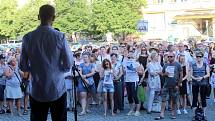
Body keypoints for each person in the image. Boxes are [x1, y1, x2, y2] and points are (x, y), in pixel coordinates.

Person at [19, 4, 72, 121]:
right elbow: (68, 65)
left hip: (37, 89)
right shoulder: (60, 37)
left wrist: (36, 69)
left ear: (38, 17)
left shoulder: (27, 37)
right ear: (54, 18)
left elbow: (22, 66)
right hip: (57, 88)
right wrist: (57, 71)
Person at [155, 52, 182, 120]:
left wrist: (178, 84)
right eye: (168, 56)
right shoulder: (165, 65)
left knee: (174, 99)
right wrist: (164, 74)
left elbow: (181, 75)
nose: (169, 58)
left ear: (174, 57)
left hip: (174, 85)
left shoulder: (178, 64)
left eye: (171, 56)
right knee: (163, 99)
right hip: (166, 85)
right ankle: (162, 113)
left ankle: (173, 113)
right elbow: (162, 74)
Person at [123, 49, 144, 116]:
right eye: (129, 53)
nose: (130, 54)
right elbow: (124, 72)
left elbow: (142, 72)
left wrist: (135, 70)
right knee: (129, 96)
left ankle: (137, 111)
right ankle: (131, 109)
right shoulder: (125, 62)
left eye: (132, 53)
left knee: (134, 95)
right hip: (127, 80)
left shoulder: (136, 62)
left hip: (134, 80)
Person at [190, 51, 210, 121]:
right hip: (195, 84)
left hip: (203, 84)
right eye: (197, 57)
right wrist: (195, 78)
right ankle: (194, 115)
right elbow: (191, 74)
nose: (198, 58)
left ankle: (204, 115)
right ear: (196, 57)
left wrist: (202, 77)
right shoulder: (193, 65)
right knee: (194, 99)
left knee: (203, 99)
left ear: (202, 57)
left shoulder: (205, 65)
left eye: (200, 57)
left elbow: (208, 74)